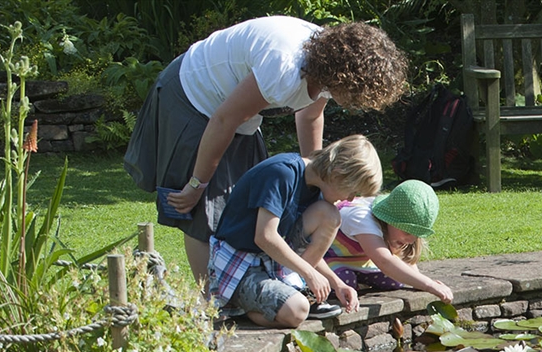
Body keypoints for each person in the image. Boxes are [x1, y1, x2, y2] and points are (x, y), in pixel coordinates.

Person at [124, 16, 407, 283]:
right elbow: (224, 119)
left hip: (232, 116)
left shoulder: (325, 70)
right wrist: (198, 184)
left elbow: (309, 116)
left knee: (252, 205)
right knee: (204, 214)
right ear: (347, 76)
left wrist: (313, 180)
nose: (354, 103)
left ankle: (244, 289)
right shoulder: (284, 68)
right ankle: (211, 305)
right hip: (192, 100)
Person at [208, 135, 382, 329]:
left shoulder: (315, 186)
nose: (350, 198)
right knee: (297, 311)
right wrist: (309, 273)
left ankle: (293, 290)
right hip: (240, 264)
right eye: (353, 191)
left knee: (330, 215)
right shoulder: (282, 173)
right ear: (339, 173)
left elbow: (298, 248)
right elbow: (265, 236)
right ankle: (240, 307)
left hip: (270, 261)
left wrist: (337, 283)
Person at [323, 180, 454, 304]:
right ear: (388, 220)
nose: (411, 240)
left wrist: (419, 280)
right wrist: (428, 284)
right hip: (330, 259)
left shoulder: (393, 225)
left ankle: (358, 280)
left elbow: (404, 262)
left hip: (360, 261)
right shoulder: (361, 218)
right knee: (346, 282)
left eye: (416, 235)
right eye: (407, 232)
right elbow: (384, 261)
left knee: (396, 279)